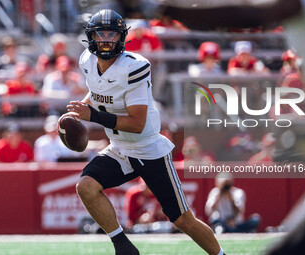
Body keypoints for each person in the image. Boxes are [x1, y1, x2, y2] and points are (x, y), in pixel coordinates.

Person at [61, 9, 225, 255]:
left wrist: (92, 116)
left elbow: (136, 123)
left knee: (182, 220)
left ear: (122, 37)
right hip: (119, 147)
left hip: (148, 148)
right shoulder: (87, 61)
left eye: (112, 34)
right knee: (86, 186)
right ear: (91, 37)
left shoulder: (134, 67)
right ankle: (123, 246)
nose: (106, 39)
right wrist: (77, 112)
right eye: (100, 34)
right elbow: (96, 94)